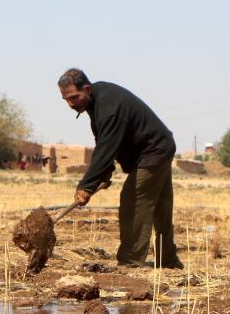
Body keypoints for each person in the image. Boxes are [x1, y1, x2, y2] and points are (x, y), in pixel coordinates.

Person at [57, 67, 183, 268]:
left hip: (153, 152)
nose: (70, 104)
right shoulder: (97, 100)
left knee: (133, 200)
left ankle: (131, 261)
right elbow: (108, 140)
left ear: (87, 89)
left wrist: (86, 186)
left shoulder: (108, 107)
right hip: (156, 148)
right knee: (160, 207)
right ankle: (168, 261)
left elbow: (106, 146)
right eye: (66, 100)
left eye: (74, 97)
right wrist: (104, 173)